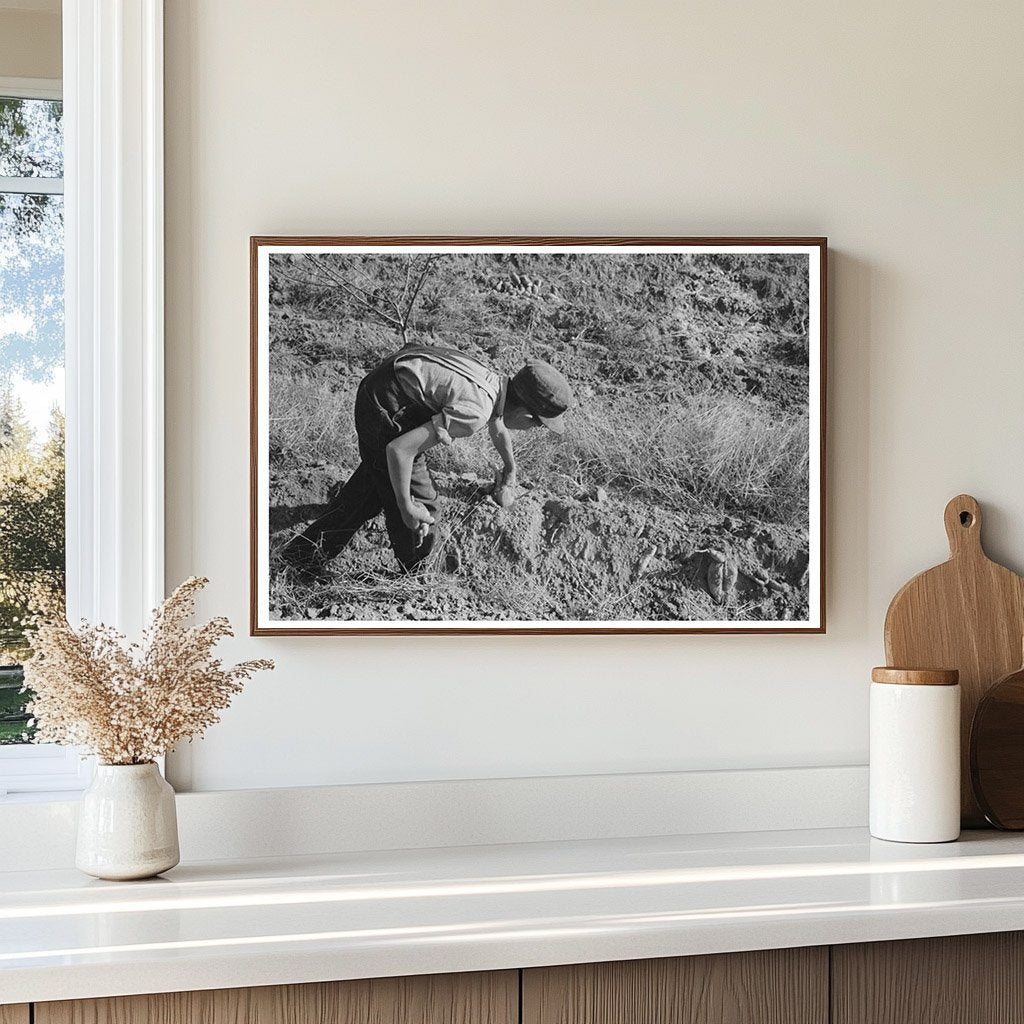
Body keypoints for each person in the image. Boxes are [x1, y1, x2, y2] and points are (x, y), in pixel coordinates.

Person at [281, 343, 574, 576]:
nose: (533, 429)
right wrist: (406, 505)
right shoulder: (476, 411)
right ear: (525, 415)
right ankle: (416, 577)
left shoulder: (495, 383)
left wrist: (510, 468)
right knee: (421, 504)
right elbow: (399, 450)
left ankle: (301, 557)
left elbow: (498, 425)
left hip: (388, 390)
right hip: (386, 407)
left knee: (372, 489)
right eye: (537, 425)